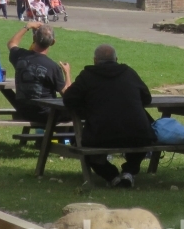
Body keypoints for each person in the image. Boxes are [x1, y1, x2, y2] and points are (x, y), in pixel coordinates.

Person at [62, 44, 156, 187]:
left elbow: (68, 99)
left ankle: (112, 176)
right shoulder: (129, 73)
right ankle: (129, 172)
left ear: (95, 60)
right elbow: (146, 98)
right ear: (116, 59)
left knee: (84, 147)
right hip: (137, 135)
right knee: (140, 137)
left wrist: (86, 108)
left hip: (100, 135)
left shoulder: (87, 76)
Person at [7, 21, 71, 124]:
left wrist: (27, 27)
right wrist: (67, 73)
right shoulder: (52, 67)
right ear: (53, 42)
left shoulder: (20, 56)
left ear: (34, 39)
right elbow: (68, 96)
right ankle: (68, 139)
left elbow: (11, 43)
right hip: (45, 115)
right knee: (78, 110)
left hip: (23, 111)